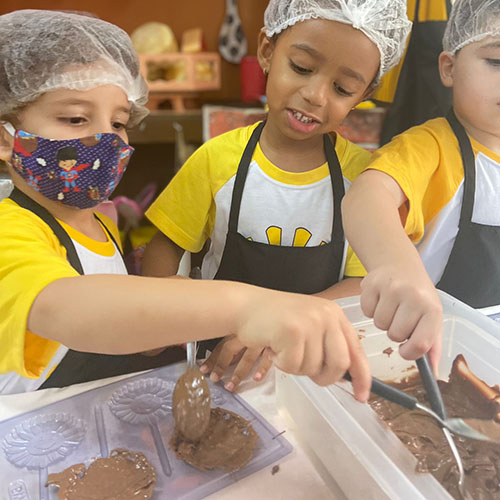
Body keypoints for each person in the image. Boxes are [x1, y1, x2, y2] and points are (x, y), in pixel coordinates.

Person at [0, 9, 372, 398]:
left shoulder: (98, 219)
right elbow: (67, 307)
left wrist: (160, 327)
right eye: (75, 119)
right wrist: (249, 307)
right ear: (7, 138)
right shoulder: (10, 235)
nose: (104, 141)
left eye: (118, 123)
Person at [142, 0, 411, 391]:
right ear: (267, 51)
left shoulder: (364, 181)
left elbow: (362, 281)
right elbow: (166, 245)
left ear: (364, 93)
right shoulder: (217, 161)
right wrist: (156, 321)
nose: (315, 95)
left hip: (317, 366)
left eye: (343, 88)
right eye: (301, 68)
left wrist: (282, 327)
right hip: (219, 363)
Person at [342, 0, 500, 369]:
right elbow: (369, 194)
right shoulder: (432, 149)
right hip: (427, 357)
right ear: (449, 68)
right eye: (496, 62)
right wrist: (395, 264)